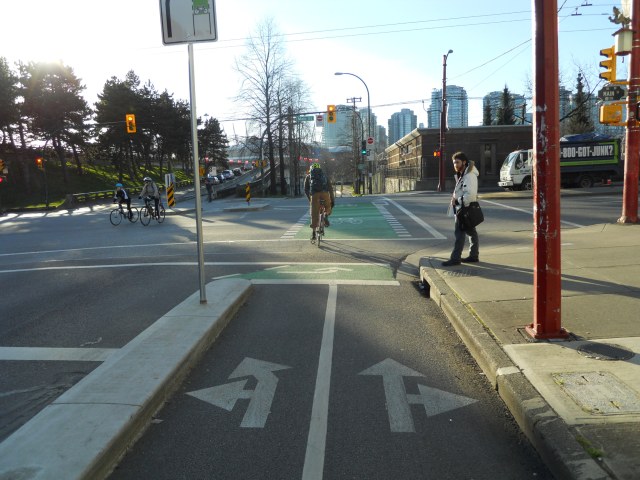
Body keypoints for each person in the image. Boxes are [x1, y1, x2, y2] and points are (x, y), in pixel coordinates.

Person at [442, 151, 480, 266]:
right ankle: (473, 256)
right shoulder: (463, 174)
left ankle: (455, 258)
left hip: (464, 209)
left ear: (464, 162)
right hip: (463, 208)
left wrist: (457, 201)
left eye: (457, 162)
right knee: (471, 232)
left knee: (460, 234)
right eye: (454, 163)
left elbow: (471, 195)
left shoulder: (469, 176)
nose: (455, 165)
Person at [304, 163, 335, 241]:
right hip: (325, 194)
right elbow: (330, 189)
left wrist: (310, 199)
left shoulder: (309, 176)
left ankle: (314, 233)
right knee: (328, 207)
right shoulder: (324, 176)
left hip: (314, 196)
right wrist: (332, 200)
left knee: (314, 214)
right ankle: (325, 215)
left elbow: (306, 189)